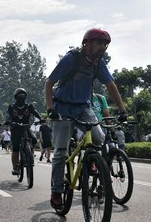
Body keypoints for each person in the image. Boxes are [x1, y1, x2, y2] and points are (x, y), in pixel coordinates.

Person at [45, 28, 128, 210]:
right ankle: (57, 190)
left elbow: (111, 85)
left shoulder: (99, 64)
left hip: (83, 107)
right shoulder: (71, 59)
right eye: (99, 43)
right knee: (60, 152)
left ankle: (91, 161)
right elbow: (49, 83)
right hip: (63, 108)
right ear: (87, 44)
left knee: (99, 138)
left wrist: (122, 110)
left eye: (105, 44)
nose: (103, 48)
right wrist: (50, 109)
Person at [5, 88, 43, 175]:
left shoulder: (29, 106)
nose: (21, 97)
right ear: (16, 97)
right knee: (15, 148)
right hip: (15, 128)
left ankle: (29, 153)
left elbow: (35, 112)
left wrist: (41, 118)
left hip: (26, 127)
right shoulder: (12, 107)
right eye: (19, 95)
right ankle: (15, 167)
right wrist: (8, 121)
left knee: (34, 140)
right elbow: (8, 115)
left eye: (23, 95)